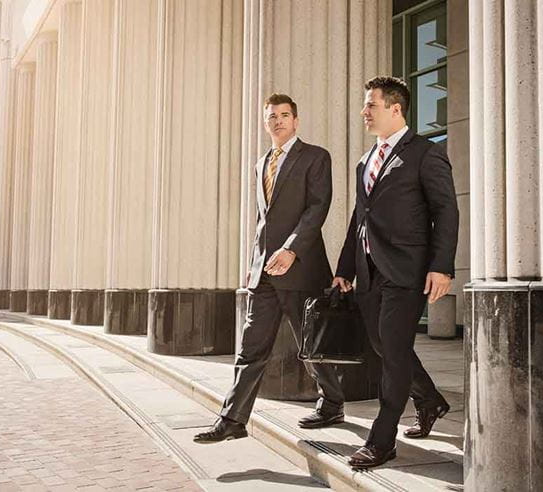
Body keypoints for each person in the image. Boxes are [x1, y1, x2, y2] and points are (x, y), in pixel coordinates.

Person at [194, 93, 345, 443]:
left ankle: (333, 402)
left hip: (300, 268)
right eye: (272, 116)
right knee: (251, 348)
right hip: (263, 274)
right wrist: (253, 264)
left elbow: (317, 209)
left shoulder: (315, 157)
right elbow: (263, 221)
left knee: (310, 344)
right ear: (266, 122)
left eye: (284, 115)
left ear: (296, 120)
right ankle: (232, 420)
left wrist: (291, 249)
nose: (278, 120)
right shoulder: (261, 162)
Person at [333, 76, 459, 469]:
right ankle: (430, 400)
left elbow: (446, 211)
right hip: (370, 272)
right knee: (388, 347)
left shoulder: (425, 153)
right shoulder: (364, 160)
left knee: (392, 351)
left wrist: (441, 266)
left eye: (371, 105)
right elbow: (360, 216)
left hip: (408, 271)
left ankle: (382, 439)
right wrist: (346, 267)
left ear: (395, 108)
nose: (364, 112)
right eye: (364, 104)